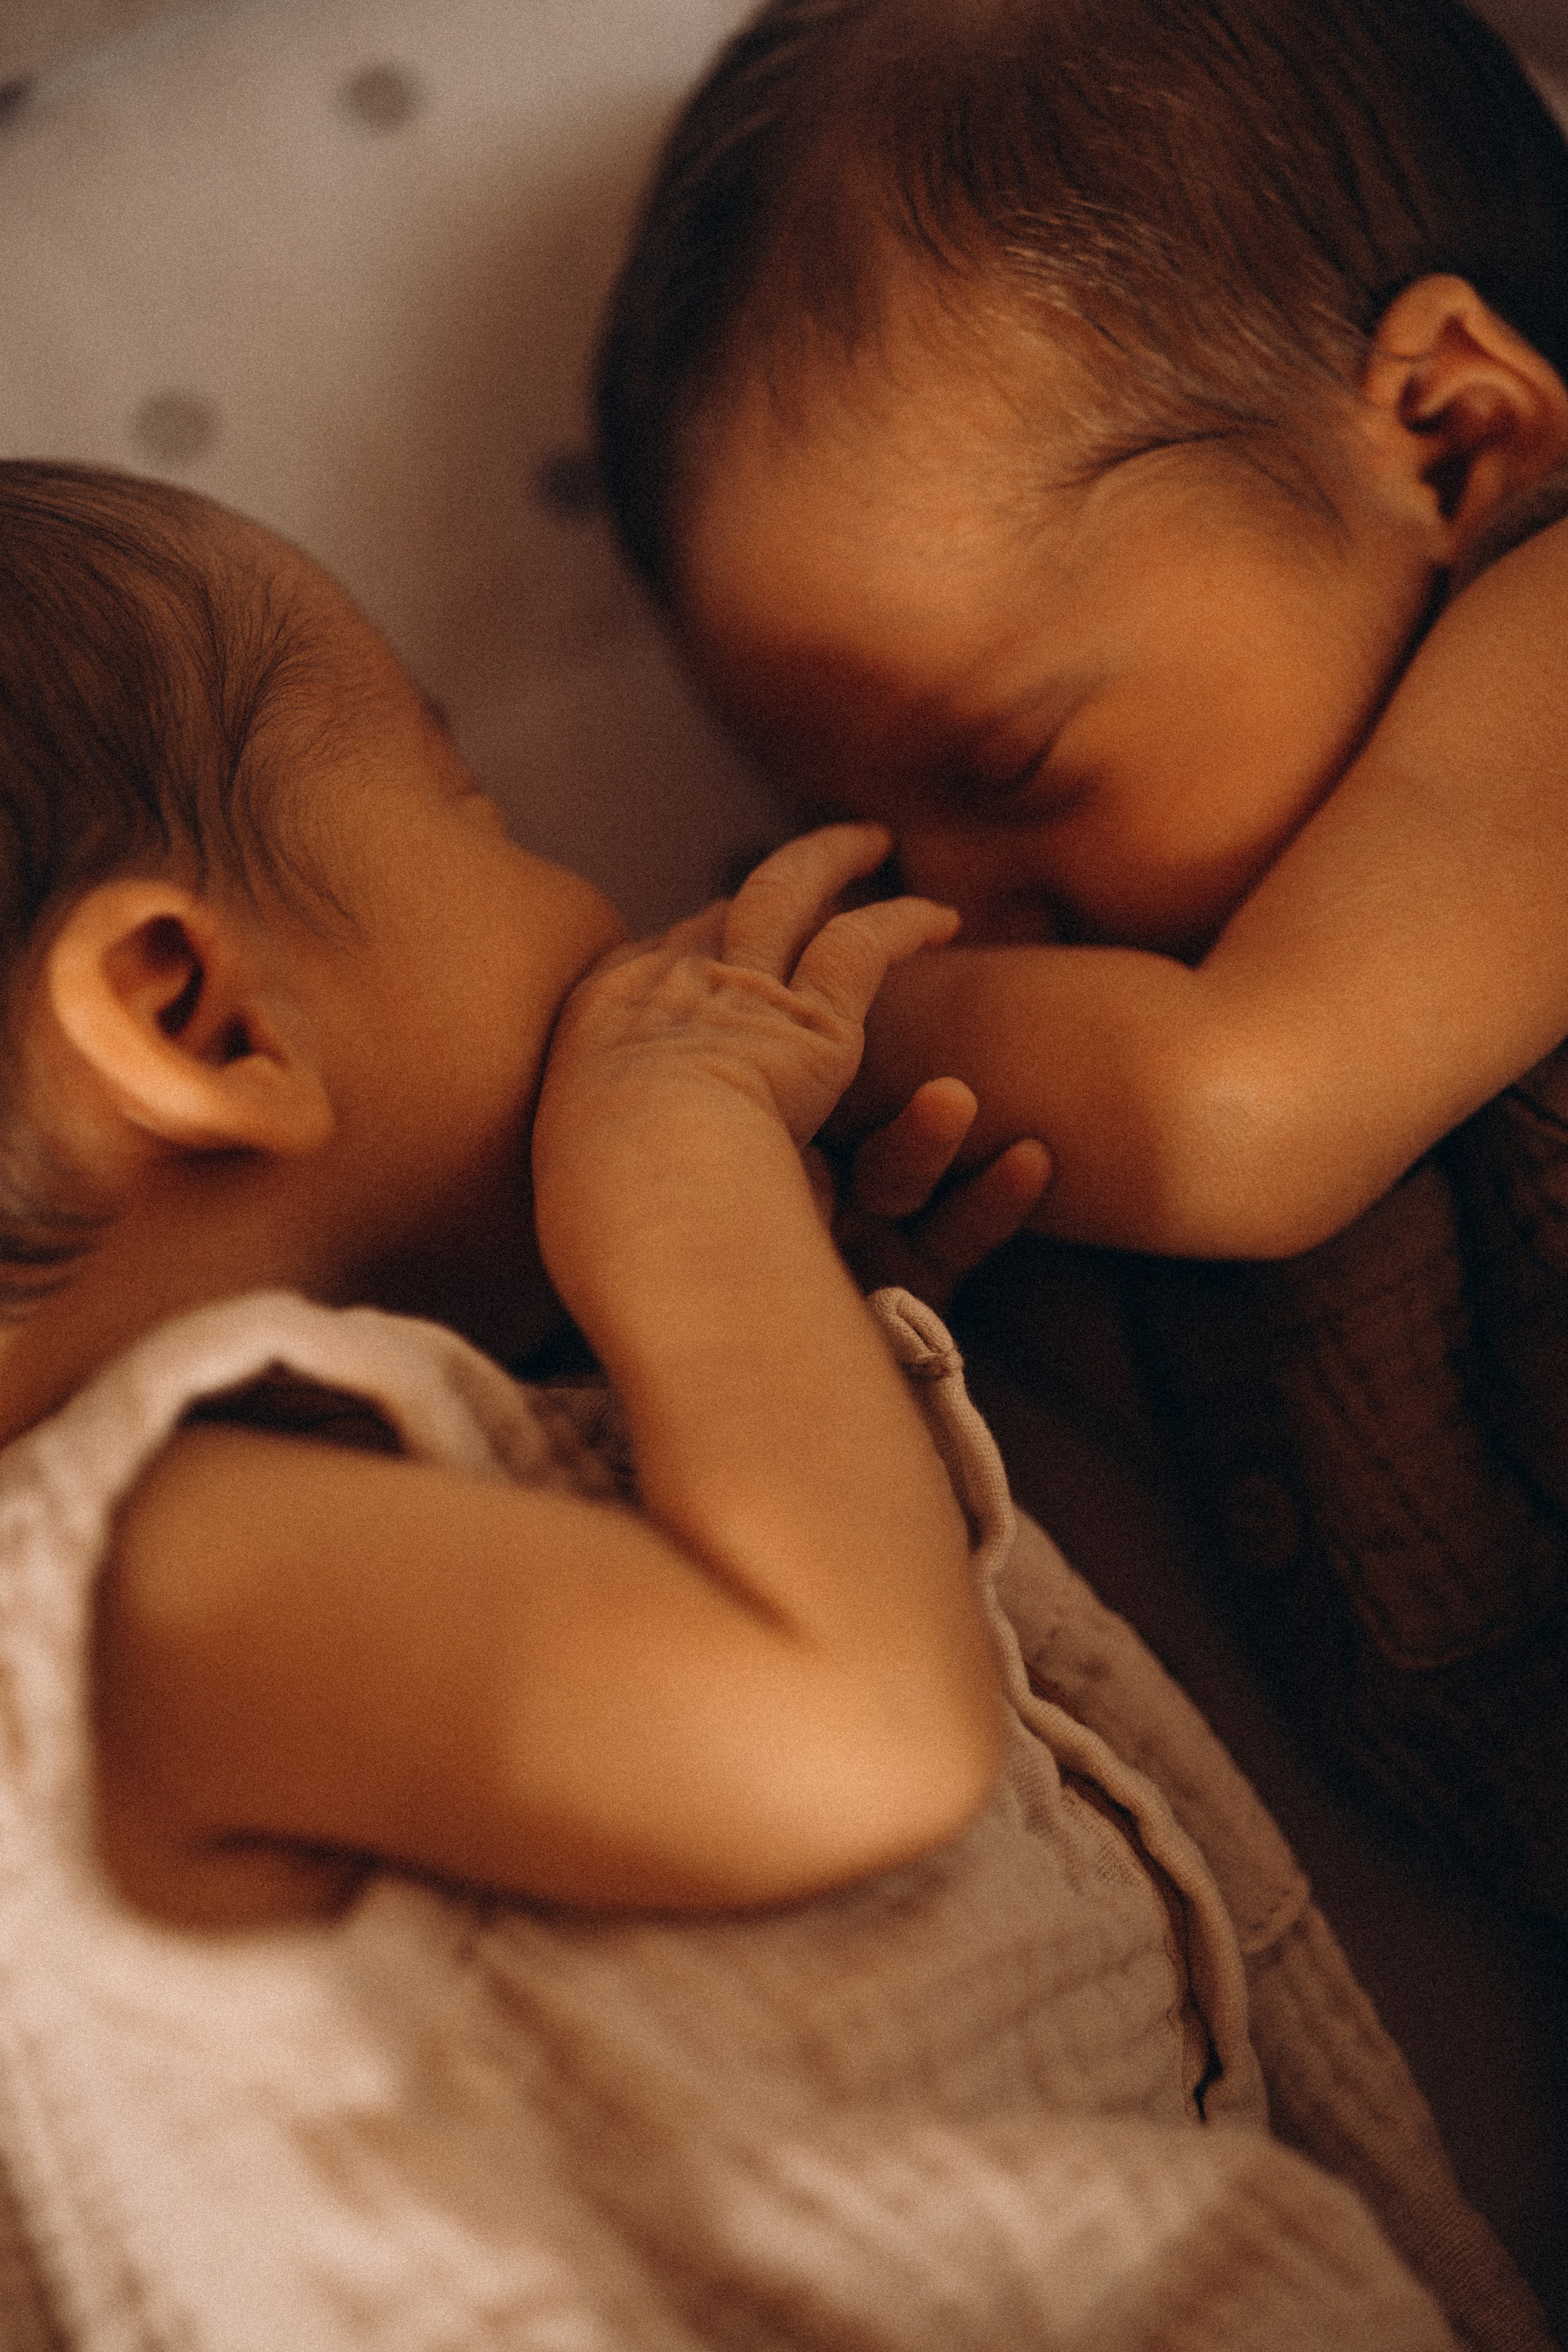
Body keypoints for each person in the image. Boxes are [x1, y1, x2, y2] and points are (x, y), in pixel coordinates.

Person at [1, 457, 1542, 2350]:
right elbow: (853, 1733)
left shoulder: (288, 1537)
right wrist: (680, 1175)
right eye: (479, 811)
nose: (594, 894)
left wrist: (782, 1309)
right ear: (201, 1017)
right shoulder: (143, 1591)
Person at [593, 0, 1568, 1921]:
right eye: (872, 853)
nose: (956, 914)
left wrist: (747, 1039)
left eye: (1009, 768)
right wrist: (869, 1304)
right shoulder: (1132, 1046)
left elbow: (1238, 1117)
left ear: (1454, 443)